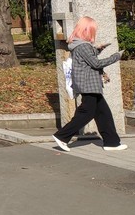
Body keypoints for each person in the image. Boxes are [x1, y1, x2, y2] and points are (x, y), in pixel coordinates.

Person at [52, 15, 126, 151]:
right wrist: (116, 57)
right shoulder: (84, 46)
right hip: (89, 84)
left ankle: (112, 142)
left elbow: (88, 59)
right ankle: (62, 136)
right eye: (93, 30)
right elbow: (95, 63)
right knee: (86, 113)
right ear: (87, 30)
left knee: (103, 113)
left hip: (88, 83)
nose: (94, 33)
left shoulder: (78, 45)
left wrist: (98, 49)